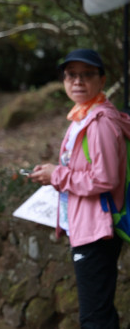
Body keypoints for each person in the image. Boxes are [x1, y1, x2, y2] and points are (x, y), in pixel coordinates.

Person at [31, 49, 130, 328]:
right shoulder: (81, 117)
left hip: (97, 228)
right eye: (71, 75)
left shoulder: (100, 122)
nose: (78, 81)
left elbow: (105, 179)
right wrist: (53, 172)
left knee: (95, 318)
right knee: (98, 314)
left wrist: (57, 175)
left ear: (102, 80)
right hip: (86, 224)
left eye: (87, 75)